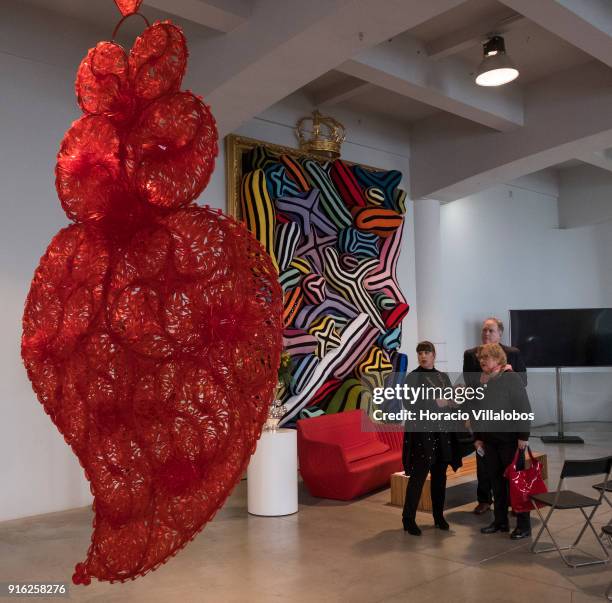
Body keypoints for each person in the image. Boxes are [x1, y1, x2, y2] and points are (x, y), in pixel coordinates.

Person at [463, 317, 526, 515]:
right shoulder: (470, 354)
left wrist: (504, 377)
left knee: (511, 466)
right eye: (484, 330)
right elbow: (469, 385)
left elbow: (523, 382)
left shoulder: (512, 354)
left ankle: (515, 503)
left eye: (491, 330)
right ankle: (484, 499)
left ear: (500, 333)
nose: (486, 334)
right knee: (484, 462)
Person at [402, 341, 463, 536]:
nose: (423, 356)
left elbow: (449, 402)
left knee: (440, 477)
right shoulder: (412, 378)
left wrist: (454, 401)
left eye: (427, 352)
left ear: (433, 355)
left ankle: (439, 516)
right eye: (420, 352)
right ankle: (408, 519)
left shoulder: (442, 377)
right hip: (422, 433)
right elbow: (410, 405)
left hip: (442, 432)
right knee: (418, 477)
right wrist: (437, 402)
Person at [472, 343, 532, 540]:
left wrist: (523, 436)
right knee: (496, 483)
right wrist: (478, 438)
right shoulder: (485, 381)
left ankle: (524, 526)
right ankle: (500, 521)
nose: (482, 361)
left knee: (516, 484)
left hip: (510, 441)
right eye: (480, 357)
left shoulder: (511, 378)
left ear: (498, 359)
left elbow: (523, 408)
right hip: (490, 442)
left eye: (486, 357)